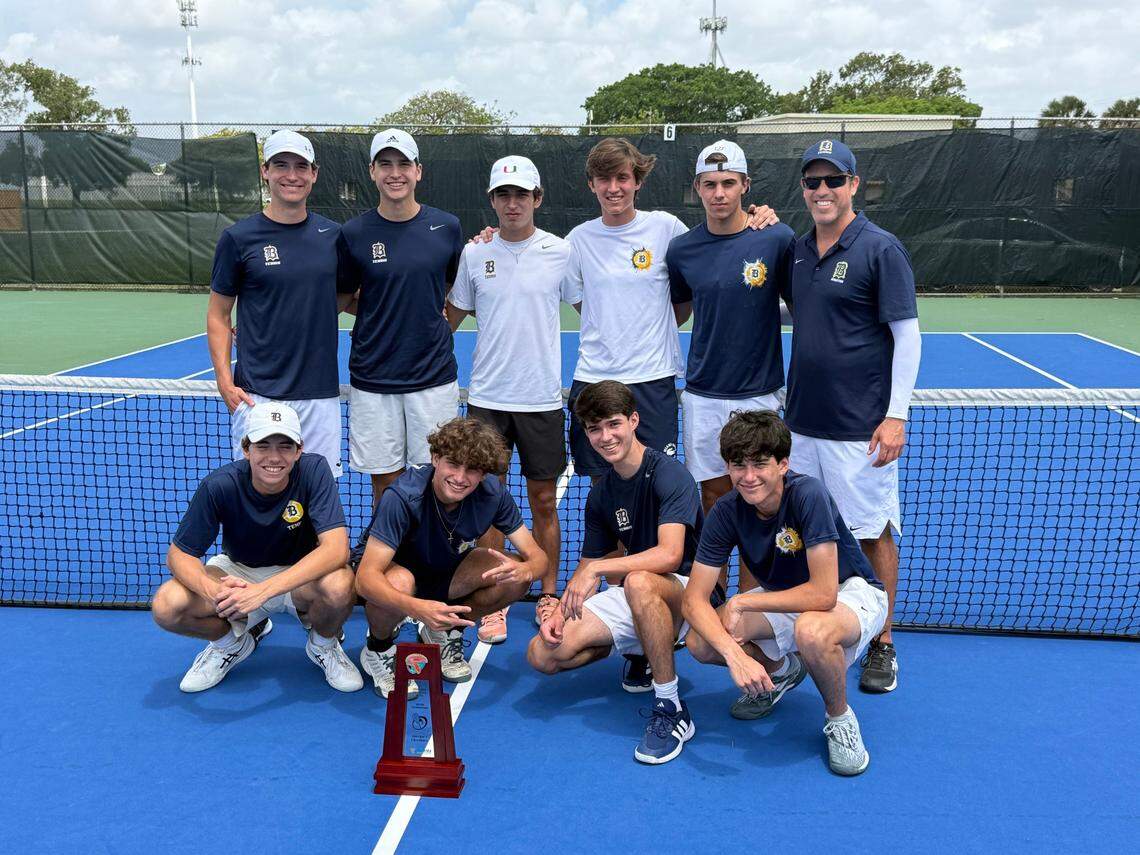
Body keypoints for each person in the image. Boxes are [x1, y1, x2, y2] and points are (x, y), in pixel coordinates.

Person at [784, 139, 921, 693]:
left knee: (870, 533)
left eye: (833, 181)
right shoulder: (795, 250)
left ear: (853, 185)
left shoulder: (881, 249)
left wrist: (896, 416)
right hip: (800, 426)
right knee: (802, 532)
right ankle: (807, 631)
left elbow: (907, 337)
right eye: (813, 182)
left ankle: (883, 640)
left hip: (859, 428)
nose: (822, 191)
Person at [682, 410, 888, 775]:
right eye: (737, 465)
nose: (748, 477)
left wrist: (743, 600)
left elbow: (824, 595)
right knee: (702, 641)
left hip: (849, 592)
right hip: (788, 594)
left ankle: (839, 718)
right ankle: (780, 673)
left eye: (760, 464)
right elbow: (693, 600)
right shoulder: (727, 510)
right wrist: (734, 655)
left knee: (810, 629)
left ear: (783, 463)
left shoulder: (808, 494)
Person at [526, 381, 708, 765]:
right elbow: (591, 563)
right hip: (641, 593)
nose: (605, 437)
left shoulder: (670, 475)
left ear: (634, 420)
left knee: (638, 580)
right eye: (595, 429)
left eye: (613, 424)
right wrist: (560, 610)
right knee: (542, 655)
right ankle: (641, 646)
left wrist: (599, 569)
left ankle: (671, 706)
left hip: (693, 595)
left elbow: (671, 555)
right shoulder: (602, 493)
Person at [445, 155, 573, 645]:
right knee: (487, 502)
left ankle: (547, 592)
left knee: (543, 500)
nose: (513, 203)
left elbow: (592, 307)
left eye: (522, 194)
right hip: (488, 401)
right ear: (493, 201)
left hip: (541, 401)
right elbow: (449, 319)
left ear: (537, 199)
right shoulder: (475, 255)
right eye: (504, 195)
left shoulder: (561, 253)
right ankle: (495, 595)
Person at [152, 402, 362, 694]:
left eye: (285, 446)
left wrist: (263, 592)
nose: (274, 457)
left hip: (299, 577)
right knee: (167, 605)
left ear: (299, 450)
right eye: (263, 446)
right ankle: (230, 644)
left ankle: (323, 646)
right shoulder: (219, 485)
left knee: (340, 584)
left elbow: (337, 549)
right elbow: (179, 554)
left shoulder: (314, 471)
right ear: (246, 449)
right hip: (237, 574)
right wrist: (215, 592)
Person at [354, 417, 547, 698]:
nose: (460, 477)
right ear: (435, 458)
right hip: (395, 571)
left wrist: (527, 571)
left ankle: (444, 629)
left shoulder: (492, 494)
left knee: (513, 573)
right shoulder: (403, 496)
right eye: (453, 464)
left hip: (444, 567)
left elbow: (538, 558)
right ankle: (378, 648)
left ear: (483, 474)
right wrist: (418, 609)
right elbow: (365, 578)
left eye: (472, 470)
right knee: (400, 582)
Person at [668, 139, 796, 549]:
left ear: (745, 184)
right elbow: (679, 312)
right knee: (715, 498)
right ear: (698, 188)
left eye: (728, 183)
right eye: (710, 184)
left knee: (763, 502)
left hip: (759, 396)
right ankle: (716, 598)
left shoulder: (777, 238)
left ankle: (754, 602)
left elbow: (802, 307)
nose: (719, 193)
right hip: (703, 395)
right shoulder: (682, 249)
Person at [207, 129, 354, 478]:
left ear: (314, 174)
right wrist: (224, 381)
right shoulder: (238, 238)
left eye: (301, 166)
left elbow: (349, 294)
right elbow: (218, 314)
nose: (292, 175)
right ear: (265, 171)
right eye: (281, 165)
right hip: (258, 395)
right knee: (257, 498)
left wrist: (309, 312)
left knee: (318, 497)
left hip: (319, 393)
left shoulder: (334, 236)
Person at [338, 129, 464, 506]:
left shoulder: (447, 226)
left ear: (418, 171)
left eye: (404, 164)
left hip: (433, 378)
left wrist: (434, 320)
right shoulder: (353, 233)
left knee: (437, 480)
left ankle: (432, 563)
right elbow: (344, 298)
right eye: (386, 164)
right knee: (387, 485)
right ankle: (386, 561)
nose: (396, 173)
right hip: (374, 379)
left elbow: (456, 288)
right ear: (372, 171)